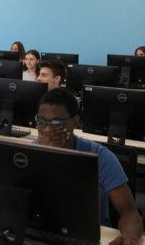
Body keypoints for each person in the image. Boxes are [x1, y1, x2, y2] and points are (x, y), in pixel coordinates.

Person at [36, 88, 142, 242]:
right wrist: (43, 153)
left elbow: (129, 213)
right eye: (41, 121)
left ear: (76, 122)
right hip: (42, 230)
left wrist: (129, 239)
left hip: (88, 236)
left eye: (57, 123)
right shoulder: (29, 154)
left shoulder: (101, 157)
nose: (47, 129)